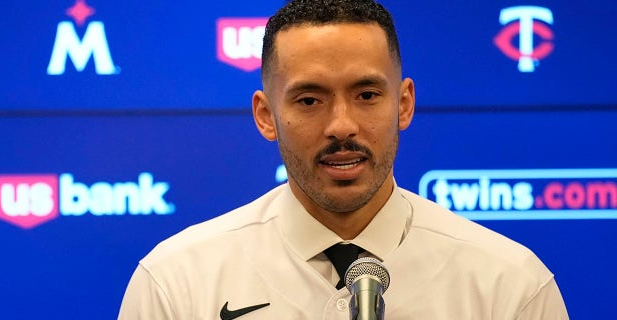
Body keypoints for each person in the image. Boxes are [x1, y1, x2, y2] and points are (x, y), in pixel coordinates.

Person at [118, 0, 569, 318]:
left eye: (367, 95)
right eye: (310, 100)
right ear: (266, 115)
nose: (342, 126)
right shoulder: (176, 282)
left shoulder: (510, 285)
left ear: (404, 104)